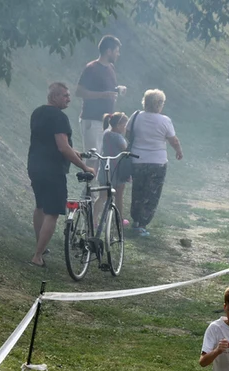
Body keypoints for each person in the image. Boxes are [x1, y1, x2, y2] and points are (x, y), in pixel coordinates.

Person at [27, 82, 94, 267]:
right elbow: (62, 147)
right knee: (53, 213)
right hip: (52, 170)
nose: (69, 99)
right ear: (54, 97)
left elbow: (50, 141)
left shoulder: (38, 112)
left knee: (40, 207)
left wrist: (74, 151)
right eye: (65, 95)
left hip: (35, 166)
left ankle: (39, 245)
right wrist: (85, 167)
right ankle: (37, 256)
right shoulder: (59, 117)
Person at [126, 89, 184, 238]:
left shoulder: (135, 116)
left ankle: (135, 221)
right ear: (159, 104)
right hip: (157, 162)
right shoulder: (164, 120)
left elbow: (128, 133)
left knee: (137, 191)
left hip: (137, 160)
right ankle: (142, 224)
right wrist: (178, 151)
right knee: (151, 194)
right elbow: (173, 140)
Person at [76, 35, 126, 156]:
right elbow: (79, 92)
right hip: (92, 120)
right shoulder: (92, 68)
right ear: (108, 51)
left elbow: (107, 88)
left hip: (105, 122)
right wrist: (103, 95)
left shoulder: (110, 68)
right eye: (116, 51)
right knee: (93, 157)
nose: (118, 54)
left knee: (103, 158)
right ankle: (88, 175)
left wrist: (117, 89)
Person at [92, 111, 132, 232]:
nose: (125, 128)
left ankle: (94, 219)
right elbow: (125, 151)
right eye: (124, 125)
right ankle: (119, 219)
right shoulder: (118, 137)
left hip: (105, 168)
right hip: (117, 169)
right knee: (119, 195)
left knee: (102, 196)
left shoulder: (106, 133)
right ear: (119, 125)